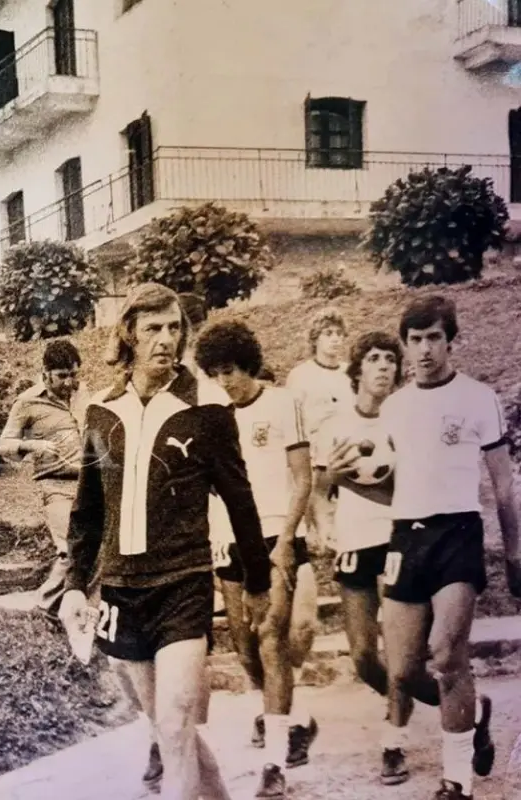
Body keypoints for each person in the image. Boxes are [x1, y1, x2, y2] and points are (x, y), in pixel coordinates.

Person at [60, 283, 271, 800]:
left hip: (183, 583)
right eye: (153, 328)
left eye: (174, 327)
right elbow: (88, 510)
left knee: (176, 723)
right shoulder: (102, 410)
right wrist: (74, 584)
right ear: (129, 335)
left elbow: (240, 501)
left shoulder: (208, 407)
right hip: (123, 588)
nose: (165, 339)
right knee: (169, 730)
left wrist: (258, 582)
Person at [368, 296, 520, 800]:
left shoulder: (478, 398)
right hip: (406, 538)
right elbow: (388, 481)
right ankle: (475, 716)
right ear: (405, 345)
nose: (425, 349)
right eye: (415, 340)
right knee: (402, 670)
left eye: (434, 337)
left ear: (450, 340)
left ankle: (456, 781)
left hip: (457, 533)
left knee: (447, 654)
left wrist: (514, 554)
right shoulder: (394, 406)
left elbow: (503, 486)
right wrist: (343, 480)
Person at [195, 320, 320, 797]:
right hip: (231, 541)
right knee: (247, 649)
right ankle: (294, 718)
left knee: (271, 642)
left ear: (248, 363)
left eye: (229, 370)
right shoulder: (213, 416)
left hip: (275, 534)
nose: (224, 380)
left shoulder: (284, 402)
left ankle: (274, 763)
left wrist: (287, 539)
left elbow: (303, 479)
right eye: (215, 373)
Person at [313, 331, 442, 786]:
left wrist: (361, 484)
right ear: (357, 369)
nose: (384, 366)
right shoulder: (334, 425)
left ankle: (394, 742)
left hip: (399, 538)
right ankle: (461, 704)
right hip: (353, 541)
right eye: (373, 358)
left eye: (390, 359)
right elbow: (320, 489)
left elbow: (418, 489)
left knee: (400, 652)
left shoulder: (408, 421)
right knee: (364, 657)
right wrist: (325, 521)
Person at [0, 339, 87, 628]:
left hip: (89, 485)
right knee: (69, 550)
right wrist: (33, 445)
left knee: (95, 548)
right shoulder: (27, 402)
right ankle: (46, 605)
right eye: (62, 376)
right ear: (46, 373)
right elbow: (4, 445)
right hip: (55, 486)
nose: (69, 382)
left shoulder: (84, 393)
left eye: (73, 374)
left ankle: (81, 610)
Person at [286, 307, 353, 548]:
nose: (335, 339)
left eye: (339, 334)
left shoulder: (349, 373)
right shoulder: (301, 375)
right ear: (315, 338)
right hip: (316, 459)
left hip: (346, 456)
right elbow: (293, 421)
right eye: (328, 333)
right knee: (318, 513)